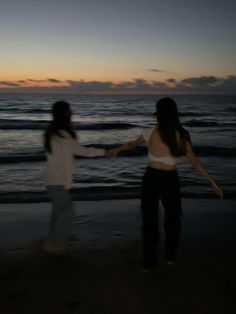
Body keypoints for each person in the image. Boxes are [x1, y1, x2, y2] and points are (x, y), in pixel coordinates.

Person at [115, 97, 223, 270]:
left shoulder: (151, 132)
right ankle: (169, 256)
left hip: (151, 179)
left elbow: (131, 145)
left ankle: (149, 263)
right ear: (174, 113)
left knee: (150, 222)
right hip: (170, 180)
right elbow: (194, 162)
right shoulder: (181, 134)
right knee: (172, 220)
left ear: (158, 114)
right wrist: (212, 182)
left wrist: (118, 149)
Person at [41, 101, 114, 254]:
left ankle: (51, 242)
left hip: (52, 180)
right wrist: (104, 152)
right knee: (67, 214)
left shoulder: (51, 133)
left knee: (58, 214)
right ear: (65, 114)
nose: (72, 114)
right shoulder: (63, 135)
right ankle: (57, 246)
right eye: (69, 111)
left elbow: (66, 155)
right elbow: (83, 151)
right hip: (58, 181)